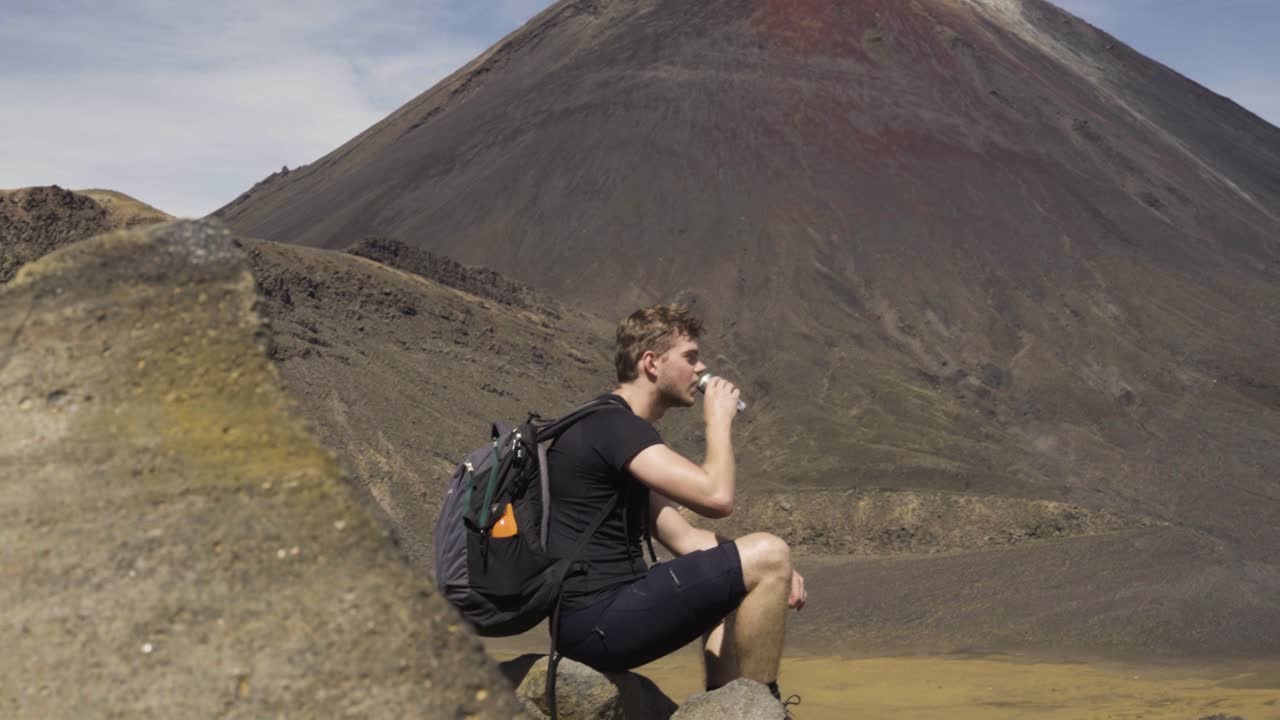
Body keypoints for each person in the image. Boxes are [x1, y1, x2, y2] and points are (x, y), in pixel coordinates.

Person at [546, 304, 806, 706]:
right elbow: (717, 498)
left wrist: (774, 572)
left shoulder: (610, 428)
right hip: (600, 620)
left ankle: (722, 706)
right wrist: (717, 422)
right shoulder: (614, 428)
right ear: (651, 363)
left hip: (593, 620)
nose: (701, 370)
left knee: (744, 574)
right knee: (769, 552)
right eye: (690, 358)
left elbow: (684, 538)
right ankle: (758, 709)